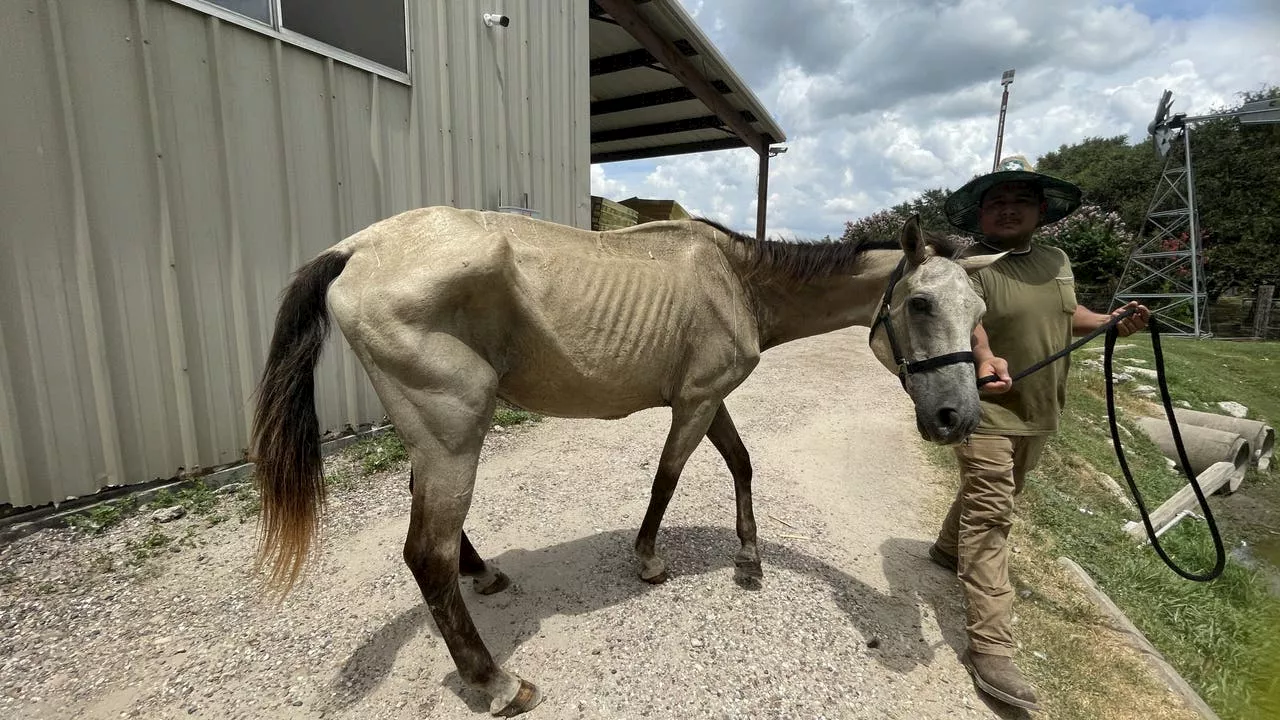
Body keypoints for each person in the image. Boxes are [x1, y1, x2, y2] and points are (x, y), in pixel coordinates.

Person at [931, 158, 1150, 711]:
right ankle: (992, 647)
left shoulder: (1056, 259)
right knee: (992, 513)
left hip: (1040, 407)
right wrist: (982, 357)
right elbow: (967, 321)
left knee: (1000, 496)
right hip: (986, 407)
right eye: (996, 201)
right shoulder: (968, 265)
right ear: (980, 212)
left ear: (1040, 211)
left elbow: (1067, 311)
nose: (1007, 209)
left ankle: (944, 549)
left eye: (1020, 201)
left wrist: (1107, 321)